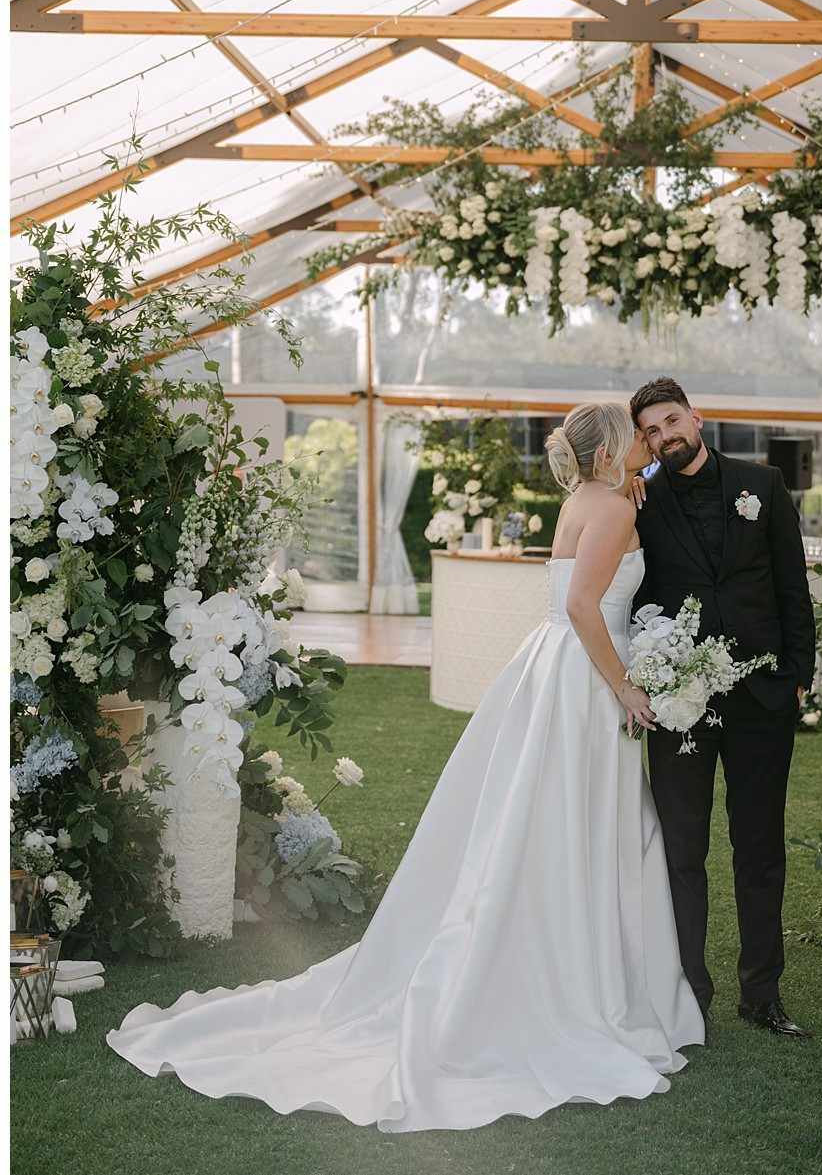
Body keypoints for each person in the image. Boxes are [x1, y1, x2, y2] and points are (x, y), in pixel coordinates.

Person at [107, 402, 704, 1133]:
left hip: (553, 669)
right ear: (611, 447)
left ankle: (565, 957)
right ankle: (576, 985)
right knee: (572, 827)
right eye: (637, 434)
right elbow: (584, 604)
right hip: (584, 677)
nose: (648, 442)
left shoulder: (590, 498)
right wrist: (625, 685)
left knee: (548, 824)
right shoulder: (611, 509)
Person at [629, 377, 816, 1039]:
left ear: (696, 417)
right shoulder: (640, 503)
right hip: (680, 703)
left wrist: (799, 675)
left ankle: (761, 993)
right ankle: (690, 995)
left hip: (763, 696)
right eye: (650, 430)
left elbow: (793, 584)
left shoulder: (762, 485)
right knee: (682, 848)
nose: (664, 436)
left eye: (670, 421)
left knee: (759, 848)